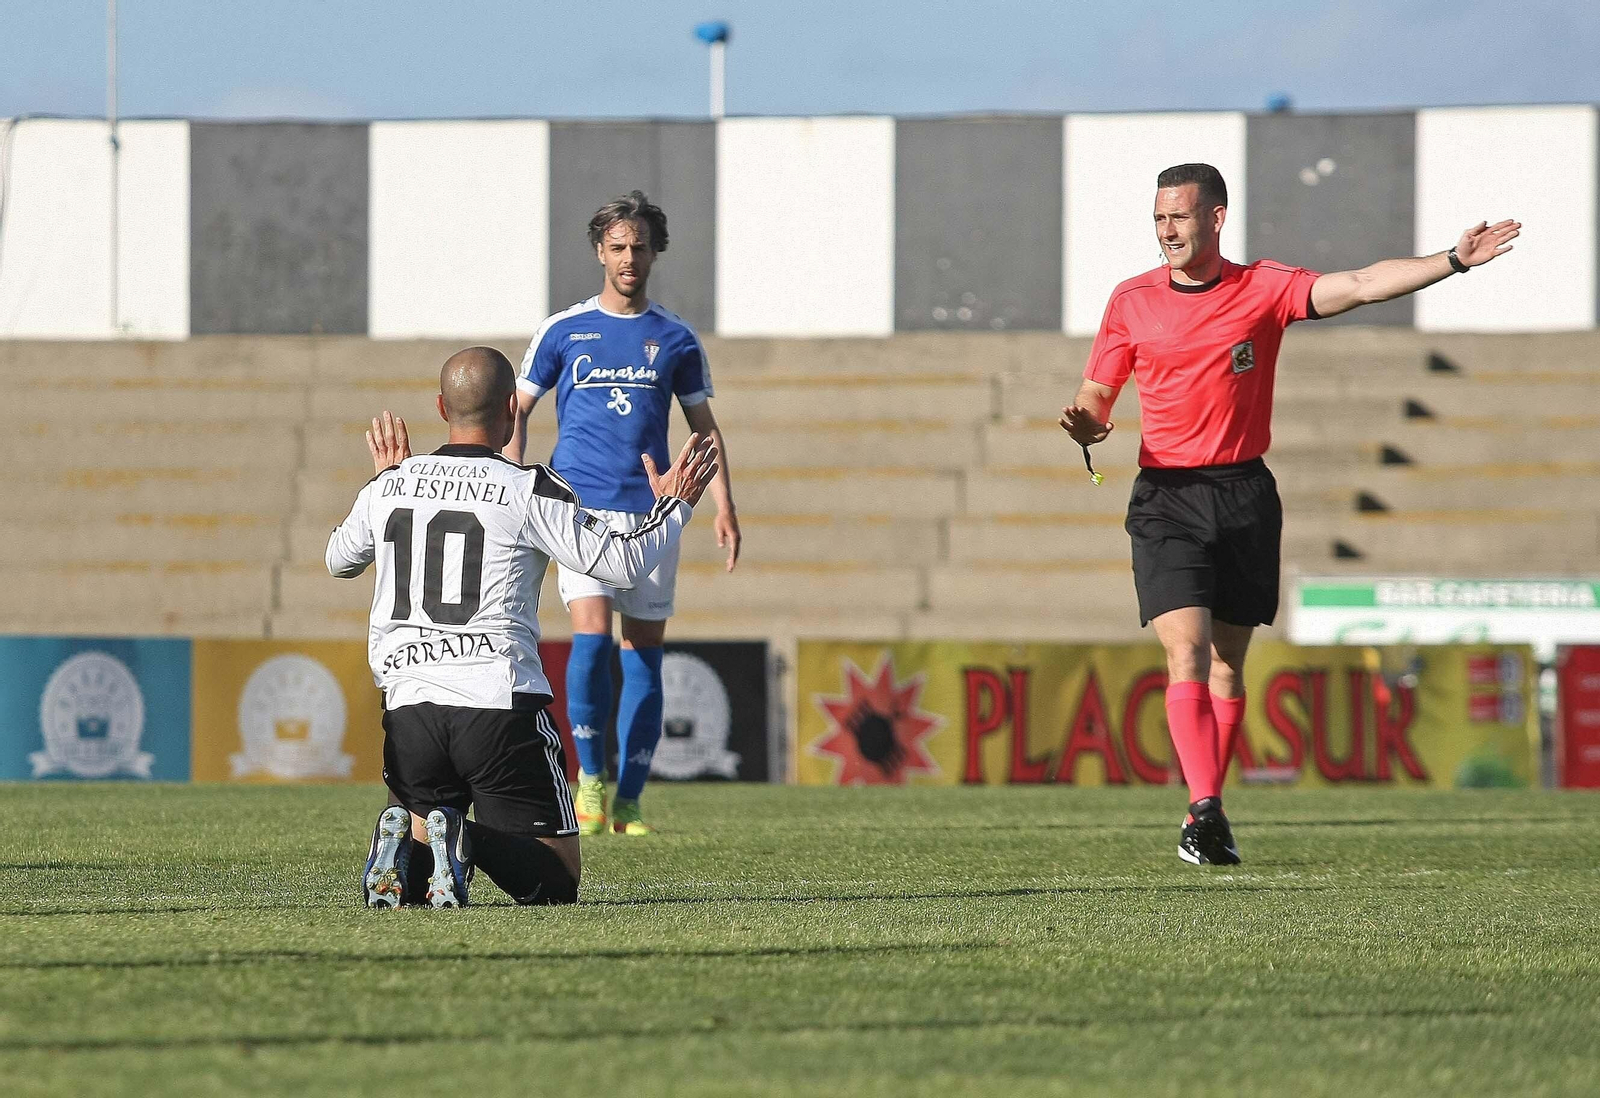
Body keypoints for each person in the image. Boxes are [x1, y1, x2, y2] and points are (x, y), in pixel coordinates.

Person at [1061, 162, 1518, 866]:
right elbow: (1097, 392)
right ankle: (1206, 809)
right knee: (1184, 652)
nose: (1167, 231)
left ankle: (1203, 812)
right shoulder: (1131, 301)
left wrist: (1453, 261)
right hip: (1166, 498)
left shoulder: (1263, 288)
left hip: (1243, 493)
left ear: (1215, 218)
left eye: (1179, 216)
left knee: (1227, 665)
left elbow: (1361, 284)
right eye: (1159, 218)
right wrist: (1088, 426)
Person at [329, 346, 718, 907]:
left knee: (415, 890)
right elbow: (621, 563)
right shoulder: (526, 486)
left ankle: (422, 838)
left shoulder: (390, 485)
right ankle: (462, 835)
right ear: (513, 408)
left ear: (441, 407)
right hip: (497, 707)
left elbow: (338, 560)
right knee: (556, 883)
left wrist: (386, 481)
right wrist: (674, 506)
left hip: (409, 709)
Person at [506, 190, 740, 837]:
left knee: (642, 654)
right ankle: (590, 781)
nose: (628, 258)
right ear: (599, 252)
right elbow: (517, 411)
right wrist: (512, 480)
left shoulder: (674, 338)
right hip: (578, 508)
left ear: (654, 252)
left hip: (654, 511)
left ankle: (630, 800)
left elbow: (705, 430)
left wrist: (723, 505)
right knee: (590, 633)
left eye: (639, 247)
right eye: (617, 247)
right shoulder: (563, 331)